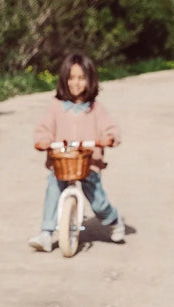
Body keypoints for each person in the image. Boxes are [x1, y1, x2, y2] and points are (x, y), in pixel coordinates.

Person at [28, 51, 126, 252]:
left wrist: (109, 137)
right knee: (54, 189)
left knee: (98, 202)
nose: (76, 83)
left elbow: (110, 127)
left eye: (81, 78)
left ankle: (113, 219)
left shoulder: (95, 108)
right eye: (71, 78)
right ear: (64, 80)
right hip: (62, 162)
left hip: (88, 162)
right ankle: (47, 233)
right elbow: (44, 128)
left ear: (90, 80)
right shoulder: (56, 107)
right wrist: (43, 140)